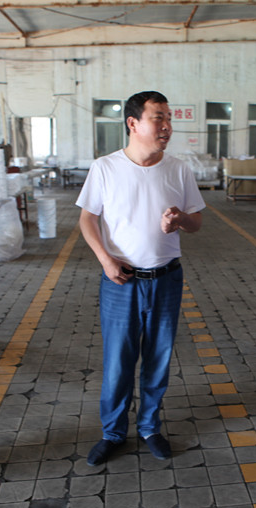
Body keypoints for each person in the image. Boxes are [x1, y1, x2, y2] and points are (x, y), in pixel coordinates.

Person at [77, 91, 205, 464]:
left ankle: (150, 427)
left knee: (158, 358)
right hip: (121, 280)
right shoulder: (105, 167)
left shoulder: (178, 169)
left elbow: (196, 222)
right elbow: (87, 219)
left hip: (167, 279)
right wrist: (105, 260)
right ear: (133, 123)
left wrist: (180, 219)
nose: (167, 126)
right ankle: (113, 432)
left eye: (169, 118)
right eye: (158, 118)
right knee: (119, 361)